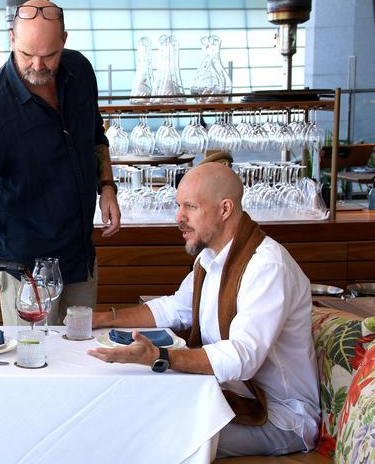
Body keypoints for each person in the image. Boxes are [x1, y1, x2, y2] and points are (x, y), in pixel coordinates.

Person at [87, 162, 319, 458]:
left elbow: (242, 357)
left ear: (225, 209)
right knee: (124, 412)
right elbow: (175, 308)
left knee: (151, 435)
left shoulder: (266, 266)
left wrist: (160, 357)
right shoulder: (210, 258)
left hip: (282, 417)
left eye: (190, 207)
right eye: (178, 205)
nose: (178, 217)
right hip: (225, 398)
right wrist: (103, 319)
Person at [0, 0, 121, 324]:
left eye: (48, 55)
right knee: (35, 364)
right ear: (12, 39)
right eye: (27, 54)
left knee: (81, 360)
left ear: (64, 40)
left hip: (78, 254)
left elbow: (94, 136)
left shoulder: (81, 72)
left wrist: (107, 187)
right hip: (24, 266)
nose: (37, 65)